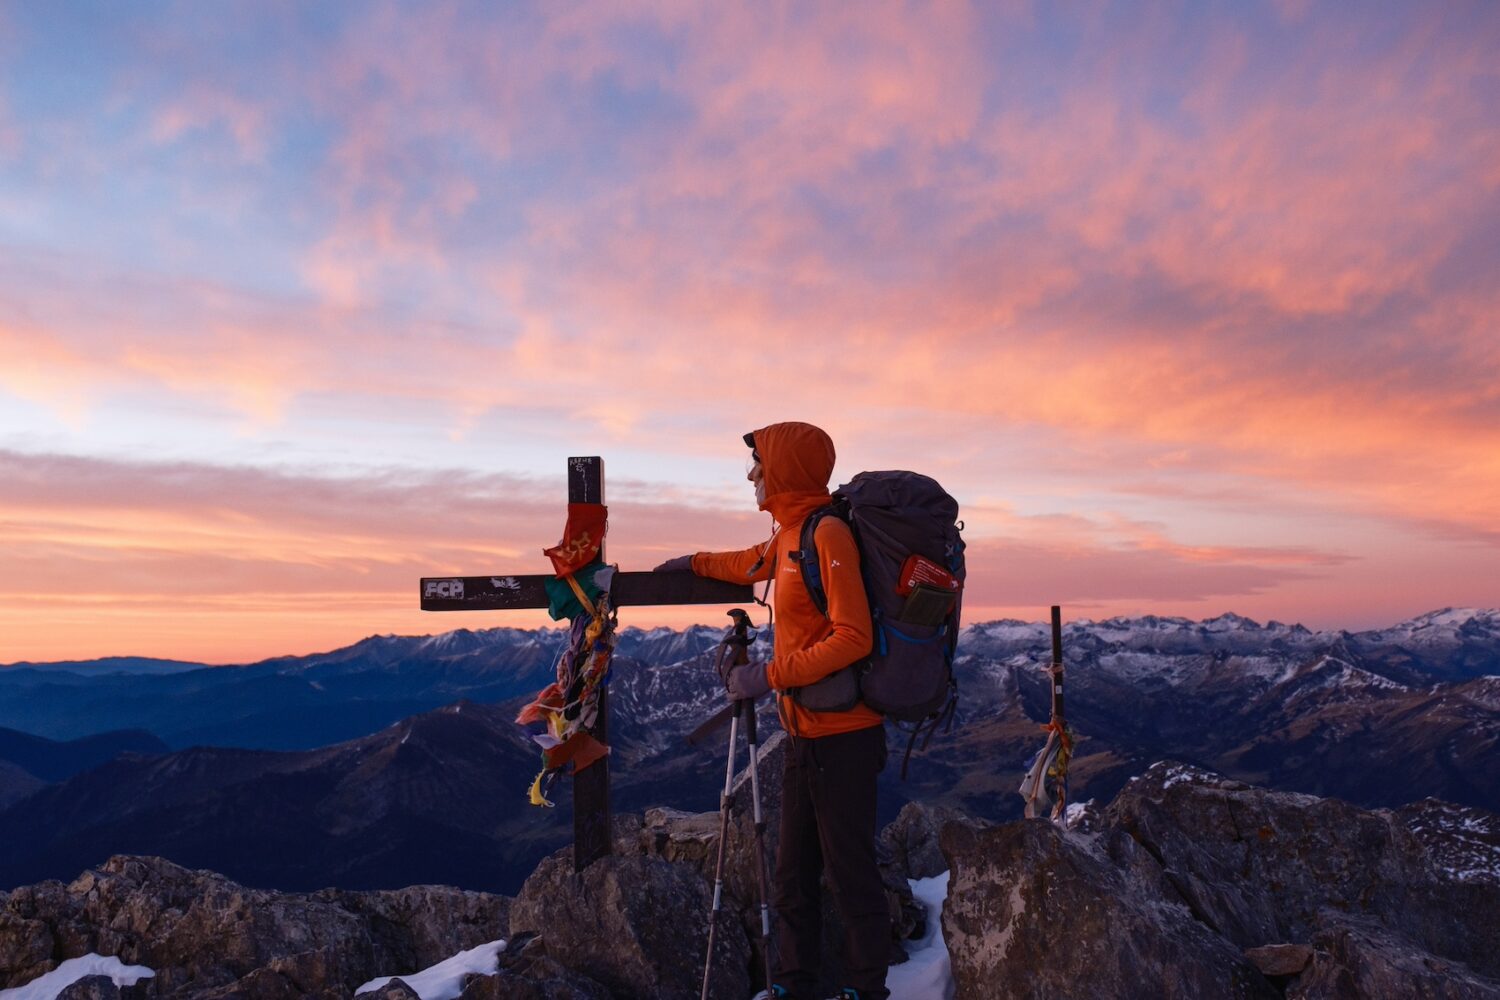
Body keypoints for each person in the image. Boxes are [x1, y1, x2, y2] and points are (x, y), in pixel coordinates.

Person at [655, 421, 888, 1000]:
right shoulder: (790, 535)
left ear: (785, 468)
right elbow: (747, 563)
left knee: (849, 874)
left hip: (846, 737)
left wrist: (766, 676)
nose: (751, 474)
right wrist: (690, 562)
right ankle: (793, 985)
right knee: (791, 874)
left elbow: (853, 637)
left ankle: (867, 991)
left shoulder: (828, 534)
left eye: (759, 464)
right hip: (803, 732)